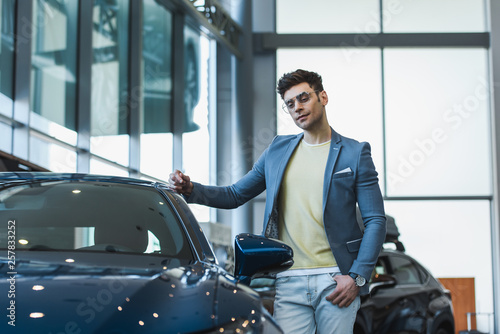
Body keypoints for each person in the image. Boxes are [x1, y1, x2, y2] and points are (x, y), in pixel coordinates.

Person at [169, 69, 386, 334]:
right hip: (289, 279)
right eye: (290, 104)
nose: (297, 108)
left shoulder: (355, 152)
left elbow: (375, 220)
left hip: (336, 278)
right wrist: (192, 189)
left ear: (323, 97)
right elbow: (236, 194)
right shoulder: (277, 150)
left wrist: (356, 277)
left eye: (303, 98)